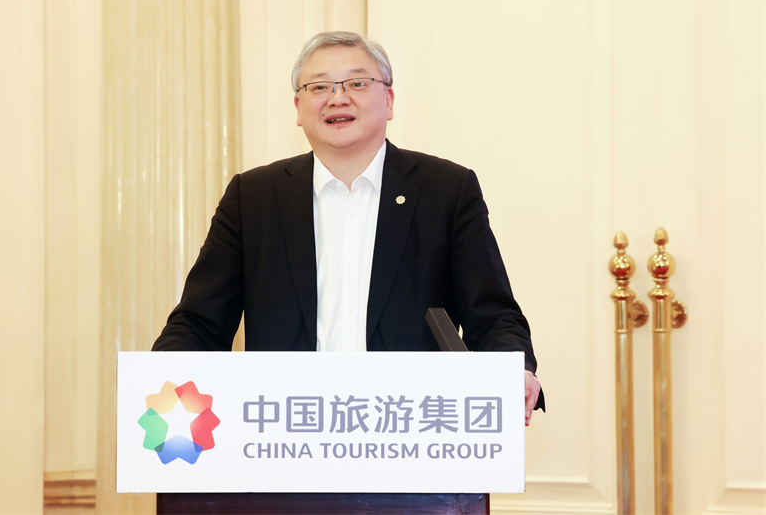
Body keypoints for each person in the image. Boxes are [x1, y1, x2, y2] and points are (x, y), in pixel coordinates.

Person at [152, 31, 544, 425]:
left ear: (388, 101)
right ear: (298, 108)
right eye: (319, 86)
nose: (337, 98)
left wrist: (514, 368)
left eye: (357, 83)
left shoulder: (445, 191)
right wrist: (156, 378)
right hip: (284, 430)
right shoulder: (253, 197)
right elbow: (199, 323)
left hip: (409, 429)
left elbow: (492, 317)